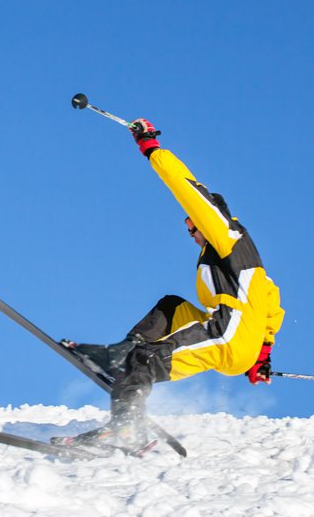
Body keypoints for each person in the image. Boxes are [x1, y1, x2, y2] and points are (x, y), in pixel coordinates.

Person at [56, 118, 285, 450]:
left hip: (228, 334)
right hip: (237, 338)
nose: (191, 234)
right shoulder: (241, 254)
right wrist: (261, 354)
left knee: (146, 359)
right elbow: (271, 305)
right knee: (172, 306)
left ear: (209, 216)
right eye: (188, 229)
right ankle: (120, 354)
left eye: (193, 225)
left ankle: (125, 429)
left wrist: (151, 148)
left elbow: (186, 187)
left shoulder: (225, 232)